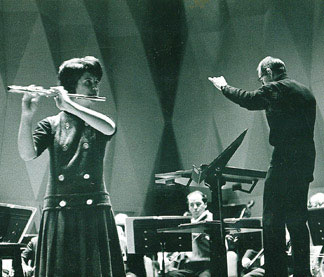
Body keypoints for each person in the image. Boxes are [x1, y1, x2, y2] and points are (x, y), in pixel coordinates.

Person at [18, 56, 125, 276]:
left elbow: (109, 128)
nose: (95, 86)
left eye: (96, 81)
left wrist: (70, 106)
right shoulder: (50, 124)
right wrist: (26, 116)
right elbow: (27, 154)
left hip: (93, 208)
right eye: (88, 81)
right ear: (71, 86)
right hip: (60, 210)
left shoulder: (97, 121)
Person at [209, 56, 316, 276]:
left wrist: (223, 87)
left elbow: (249, 99)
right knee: (297, 220)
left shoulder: (277, 87)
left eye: (261, 79)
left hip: (285, 159)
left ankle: (276, 273)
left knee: (272, 219)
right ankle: (303, 273)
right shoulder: (305, 92)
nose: (262, 84)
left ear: (268, 72)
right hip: (305, 160)